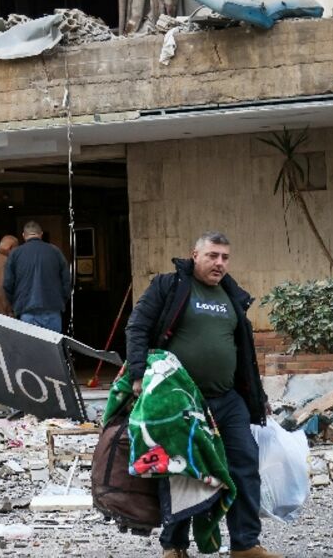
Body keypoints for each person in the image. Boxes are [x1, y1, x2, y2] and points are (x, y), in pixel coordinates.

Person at [124, 231, 278, 558]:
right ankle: (174, 546)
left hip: (228, 399)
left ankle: (245, 545)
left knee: (244, 463)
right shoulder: (170, 286)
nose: (219, 263)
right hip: (181, 398)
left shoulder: (231, 295)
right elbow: (137, 327)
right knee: (182, 469)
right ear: (195, 255)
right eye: (212, 255)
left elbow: (243, 353)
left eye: (225, 257)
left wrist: (258, 396)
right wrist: (137, 374)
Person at [2, 221, 71, 332]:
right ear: (41, 234)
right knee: (52, 343)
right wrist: (61, 301)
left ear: (23, 235)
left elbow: (7, 284)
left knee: (30, 343)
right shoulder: (55, 251)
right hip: (53, 309)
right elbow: (66, 281)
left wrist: (15, 305)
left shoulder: (15, 254)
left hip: (26, 310)